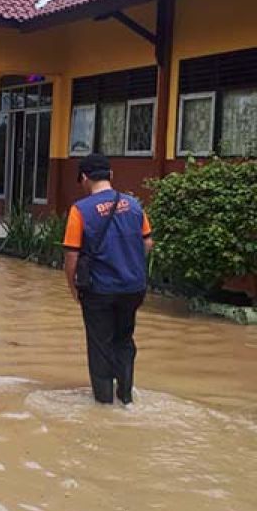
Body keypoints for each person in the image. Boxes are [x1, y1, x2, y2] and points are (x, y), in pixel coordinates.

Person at [62, 153, 154, 405]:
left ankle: (103, 404)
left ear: (84, 178)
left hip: (99, 290)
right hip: (133, 287)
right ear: (111, 176)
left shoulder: (80, 210)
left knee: (100, 345)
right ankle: (125, 397)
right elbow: (148, 241)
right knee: (124, 340)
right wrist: (127, 260)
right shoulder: (134, 204)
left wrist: (73, 290)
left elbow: (71, 257)